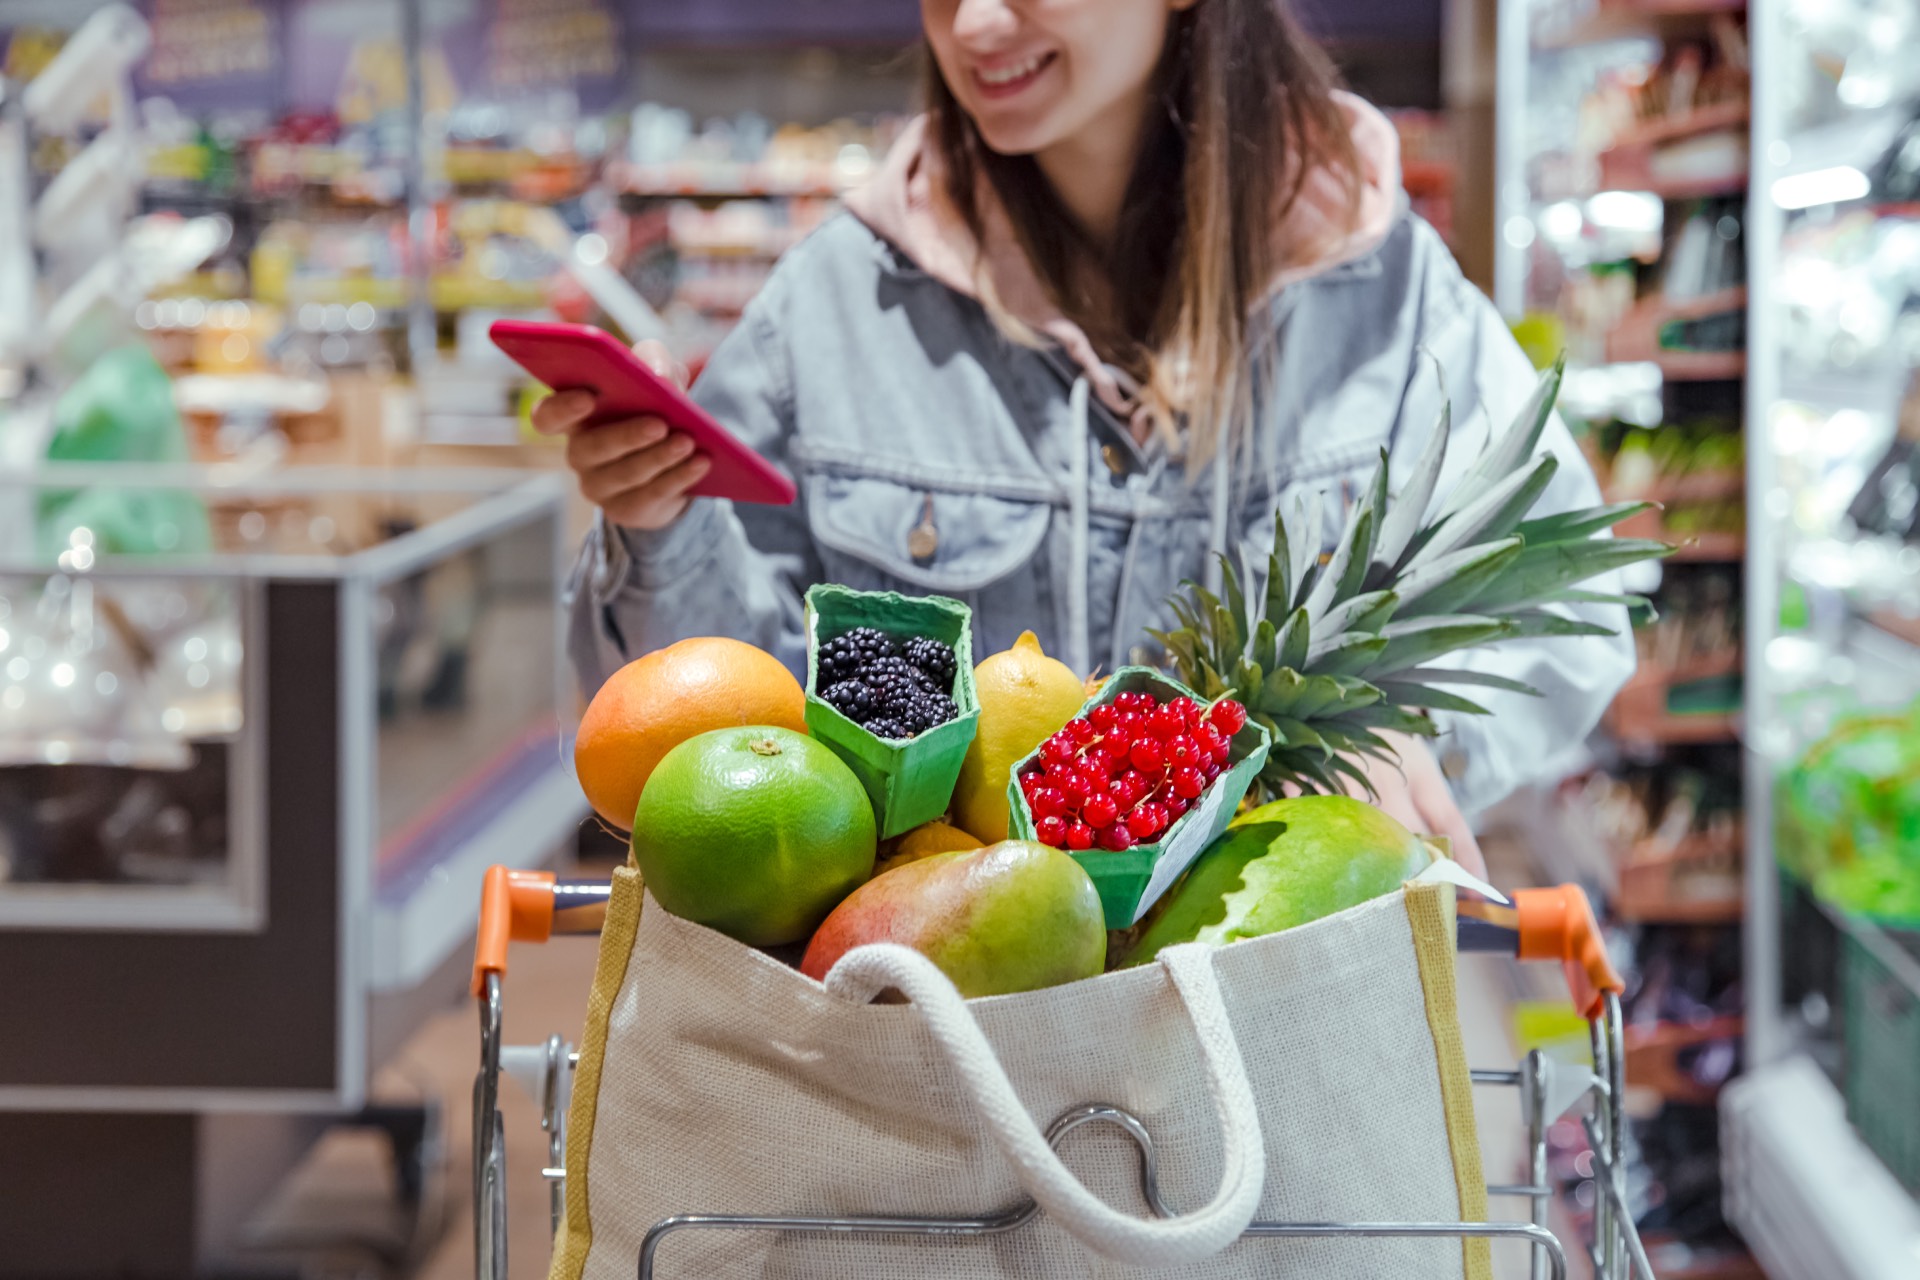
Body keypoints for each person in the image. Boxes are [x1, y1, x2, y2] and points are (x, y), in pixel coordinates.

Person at [542, 0, 1636, 875]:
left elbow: (1568, 603)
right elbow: (708, 741)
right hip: (936, 1059)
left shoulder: (1387, 293)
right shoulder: (836, 303)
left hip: (1279, 1039)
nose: (972, 25)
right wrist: (659, 521)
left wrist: (1400, 733)